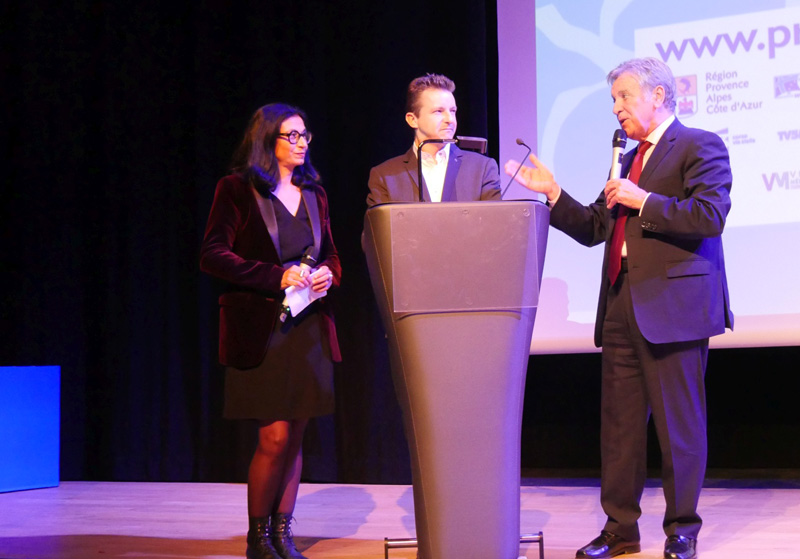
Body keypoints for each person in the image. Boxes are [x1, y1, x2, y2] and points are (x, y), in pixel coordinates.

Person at [505, 57, 733, 559]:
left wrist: (643, 199)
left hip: (674, 308)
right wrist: (552, 193)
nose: (616, 108)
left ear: (658, 95)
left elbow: (709, 215)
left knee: (679, 428)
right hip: (621, 302)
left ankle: (682, 529)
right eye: (614, 99)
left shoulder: (699, 145)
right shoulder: (627, 160)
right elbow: (596, 227)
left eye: (625, 96)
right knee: (621, 427)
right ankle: (620, 529)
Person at [200, 103, 342, 559]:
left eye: (305, 135)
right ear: (268, 140)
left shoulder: (314, 193)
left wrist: (328, 275)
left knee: (296, 436)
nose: (301, 143)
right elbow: (213, 254)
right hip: (263, 329)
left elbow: (332, 255)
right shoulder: (236, 190)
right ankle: (257, 538)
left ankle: (283, 534)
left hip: (308, 327)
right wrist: (275, 275)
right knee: (275, 437)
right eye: (291, 135)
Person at [366, 73, 501, 206]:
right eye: (438, 111)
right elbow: (379, 221)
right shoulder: (385, 176)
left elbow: (495, 219)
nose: (450, 119)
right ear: (412, 120)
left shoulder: (482, 168)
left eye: (452, 111)